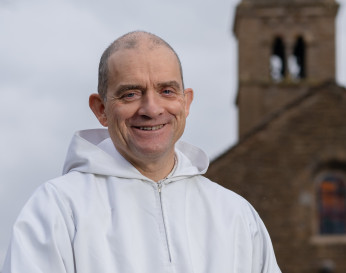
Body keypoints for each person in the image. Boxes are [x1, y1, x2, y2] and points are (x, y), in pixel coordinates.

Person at [2, 31, 281, 273]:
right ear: (101, 109)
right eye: (130, 94)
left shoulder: (236, 216)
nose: (151, 109)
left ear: (186, 102)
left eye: (167, 91)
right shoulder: (58, 209)